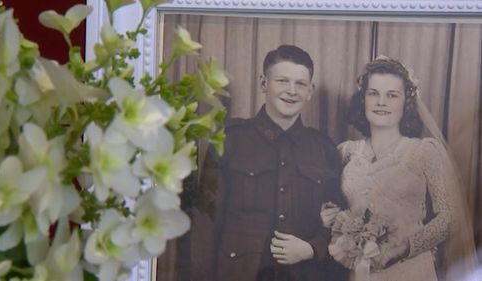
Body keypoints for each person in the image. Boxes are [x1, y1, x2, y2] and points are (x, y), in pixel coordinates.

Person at [189, 45, 348, 281]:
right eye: (282, 81)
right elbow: (205, 226)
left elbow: (339, 224)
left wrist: (313, 248)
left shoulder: (324, 149)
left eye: (300, 84)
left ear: (310, 90)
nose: (291, 91)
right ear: (264, 83)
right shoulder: (229, 140)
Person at [331, 56, 479, 281]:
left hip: (411, 270)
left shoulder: (424, 151)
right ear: (363, 100)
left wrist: (403, 249)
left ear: (406, 102)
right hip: (359, 272)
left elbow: (448, 217)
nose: (381, 102)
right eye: (374, 93)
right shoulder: (345, 152)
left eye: (392, 95)